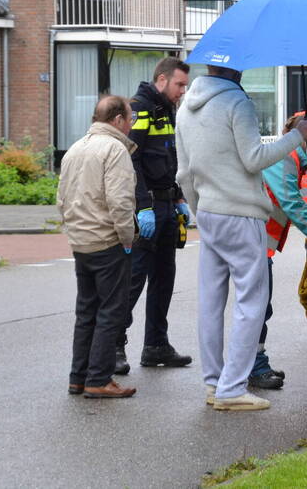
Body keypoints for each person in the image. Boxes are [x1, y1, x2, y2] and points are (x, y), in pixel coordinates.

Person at [176, 64, 307, 411]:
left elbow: (183, 172)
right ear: (236, 69)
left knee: (210, 301)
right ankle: (232, 388)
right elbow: (254, 159)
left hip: (208, 209)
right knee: (251, 299)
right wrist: (297, 135)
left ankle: (213, 383)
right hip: (240, 211)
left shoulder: (186, 107)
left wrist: (200, 209)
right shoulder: (238, 103)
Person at [58, 95, 139, 399]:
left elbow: (61, 198)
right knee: (111, 311)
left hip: (81, 242)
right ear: (117, 120)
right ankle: (99, 379)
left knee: (86, 311)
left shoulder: (75, 149)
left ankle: (78, 378)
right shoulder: (114, 149)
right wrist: (127, 237)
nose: (130, 125)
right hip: (107, 241)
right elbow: (119, 201)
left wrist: (74, 231)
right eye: (129, 119)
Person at [116, 57, 192, 375]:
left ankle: (156, 345)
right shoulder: (141, 108)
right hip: (147, 209)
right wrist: (142, 205)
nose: (182, 92)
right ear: (161, 80)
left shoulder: (167, 109)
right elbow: (132, 161)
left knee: (164, 280)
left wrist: (178, 198)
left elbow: (170, 157)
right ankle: (114, 347)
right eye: (179, 85)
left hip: (166, 206)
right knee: (133, 281)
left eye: (185, 86)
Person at [252, 111, 307, 390]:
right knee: (258, 307)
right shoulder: (288, 156)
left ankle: (250, 364)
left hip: (257, 241)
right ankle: (255, 367)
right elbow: (291, 202)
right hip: (255, 241)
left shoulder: (290, 156)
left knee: (258, 306)